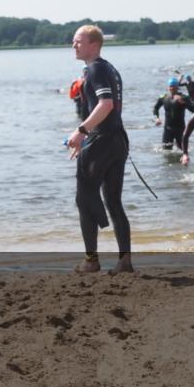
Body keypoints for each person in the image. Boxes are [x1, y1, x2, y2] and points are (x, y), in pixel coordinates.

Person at [64, 25, 132, 275]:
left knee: (84, 199)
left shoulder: (95, 68)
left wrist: (81, 132)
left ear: (94, 44)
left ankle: (91, 261)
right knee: (113, 200)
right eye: (73, 42)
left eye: (78, 41)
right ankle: (125, 260)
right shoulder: (109, 68)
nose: (74, 45)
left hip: (102, 141)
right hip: (117, 140)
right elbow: (115, 108)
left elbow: (106, 104)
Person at [153, 78, 194, 150]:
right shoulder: (163, 98)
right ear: (168, 87)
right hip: (167, 128)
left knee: (183, 149)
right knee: (166, 149)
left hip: (180, 128)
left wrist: (184, 103)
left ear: (177, 87)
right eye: (170, 86)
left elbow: (193, 109)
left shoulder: (184, 97)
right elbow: (156, 108)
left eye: (173, 86)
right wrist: (157, 118)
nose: (171, 88)